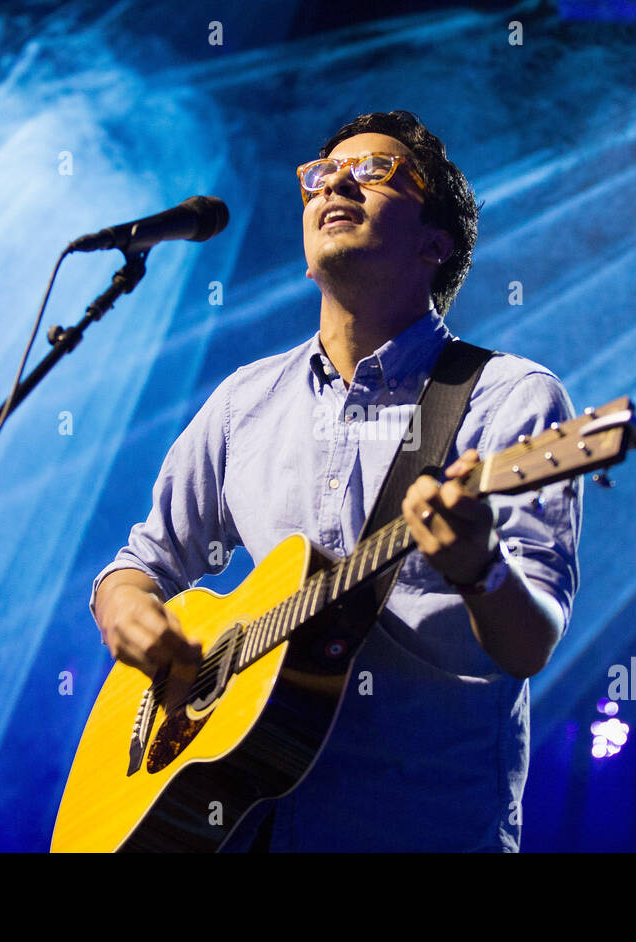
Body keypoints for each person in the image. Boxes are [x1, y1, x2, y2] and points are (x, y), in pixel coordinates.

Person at [90, 110, 582, 851]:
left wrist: (479, 565)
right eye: (321, 176)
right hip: (243, 829)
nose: (336, 184)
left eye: (376, 170)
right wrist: (129, 612)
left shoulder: (509, 399)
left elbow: (529, 645)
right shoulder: (243, 400)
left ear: (435, 244)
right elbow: (139, 564)